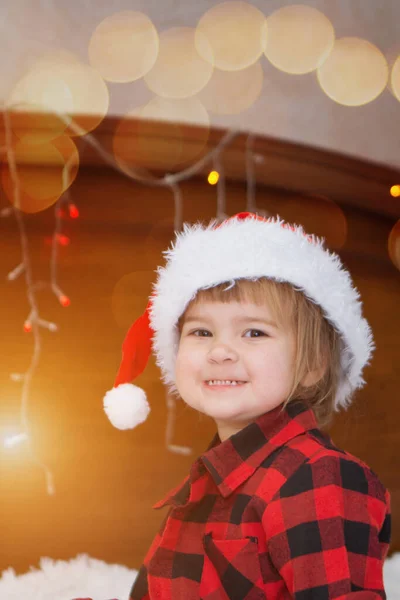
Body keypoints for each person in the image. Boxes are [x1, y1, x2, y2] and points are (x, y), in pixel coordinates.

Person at [103, 212, 391, 600]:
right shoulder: (206, 483)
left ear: (313, 365)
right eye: (201, 332)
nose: (220, 351)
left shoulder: (320, 476)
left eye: (254, 332)